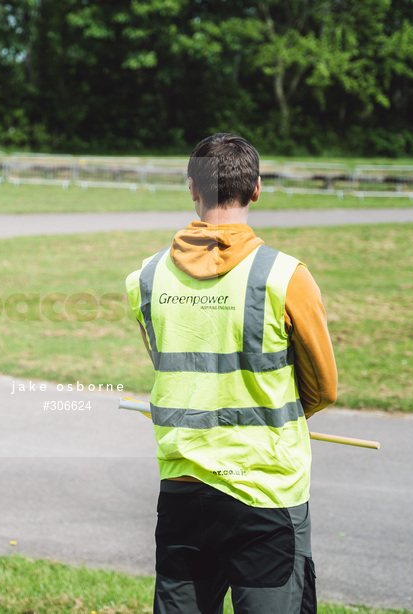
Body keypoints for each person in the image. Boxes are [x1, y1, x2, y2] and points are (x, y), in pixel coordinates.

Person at [125, 133, 338, 613]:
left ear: (193, 189)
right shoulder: (287, 277)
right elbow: (323, 389)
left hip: (183, 493)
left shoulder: (148, 278)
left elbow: (177, 368)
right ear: (257, 189)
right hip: (265, 493)